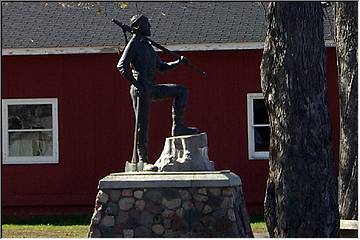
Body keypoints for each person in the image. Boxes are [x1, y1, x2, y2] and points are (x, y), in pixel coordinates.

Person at [117, 15, 198, 165]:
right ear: (139, 26)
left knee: (181, 91)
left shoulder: (147, 46)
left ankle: (178, 127)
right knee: (142, 125)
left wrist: (178, 62)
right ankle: (143, 160)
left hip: (151, 88)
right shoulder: (134, 44)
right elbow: (122, 66)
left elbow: (161, 67)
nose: (150, 27)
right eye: (147, 24)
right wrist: (137, 84)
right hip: (141, 90)